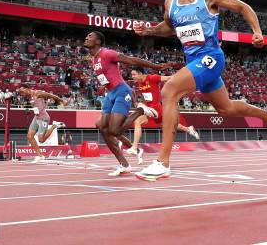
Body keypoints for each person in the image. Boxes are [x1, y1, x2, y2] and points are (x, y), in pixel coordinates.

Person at [134, 0, 267, 181]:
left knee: (169, 91)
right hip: (193, 61)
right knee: (227, 109)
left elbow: (243, 7)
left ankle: (163, 162)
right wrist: (149, 30)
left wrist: (257, 32)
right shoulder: (170, 1)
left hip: (211, 58)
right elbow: (169, 27)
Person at [83, 31, 173, 176]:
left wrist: (156, 67)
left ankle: (141, 110)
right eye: (87, 36)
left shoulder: (107, 53)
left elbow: (132, 60)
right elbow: (105, 77)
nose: (86, 37)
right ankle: (124, 164)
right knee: (101, 126)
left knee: (114, 131)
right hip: (110, 94)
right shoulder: (93, 59)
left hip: (121, 91)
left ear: (98, 41)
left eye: (90, 36)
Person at [127, 69, 200, 165]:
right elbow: (147, 98)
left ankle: (134, 147)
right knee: (167, 125)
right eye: (131, 75)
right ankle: (189, 129)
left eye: (134, 74)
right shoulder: (140, 85)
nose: (132, 77)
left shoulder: (152, 78)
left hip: (157, 109)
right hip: (150, 109)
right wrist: (142, 104)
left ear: (140, 73)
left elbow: (169, 78)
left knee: (138, 120)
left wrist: (185, 77)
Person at [18, 87, 67, 163]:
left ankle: (54, 126)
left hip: (44, 118)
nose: (21, 94)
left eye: (22, 91)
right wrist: (30, 111)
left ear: (26, 88)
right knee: (30, 136)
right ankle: (40, 156)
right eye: (20, 92)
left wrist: (62, 101)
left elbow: (51, 95)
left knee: (41, 140)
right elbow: (37, 108)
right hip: (36, 117)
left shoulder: (38, 93)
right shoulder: (29, 97)